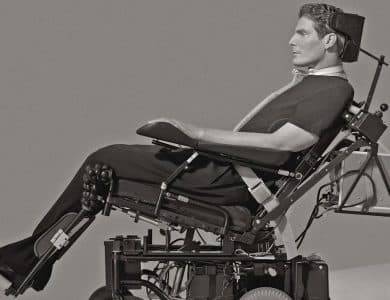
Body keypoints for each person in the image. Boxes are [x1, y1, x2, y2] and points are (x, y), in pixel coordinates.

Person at [0, 3, 355, 297]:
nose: (292, 41)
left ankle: (31, 260)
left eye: (302, 33)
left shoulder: (333, 90)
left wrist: (197, 135)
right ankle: (34, 259)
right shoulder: (311, 85)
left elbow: (286, 143)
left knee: (103, 161)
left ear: (328, 42)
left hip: (226, 180)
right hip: (222, 170)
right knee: (104, 166)